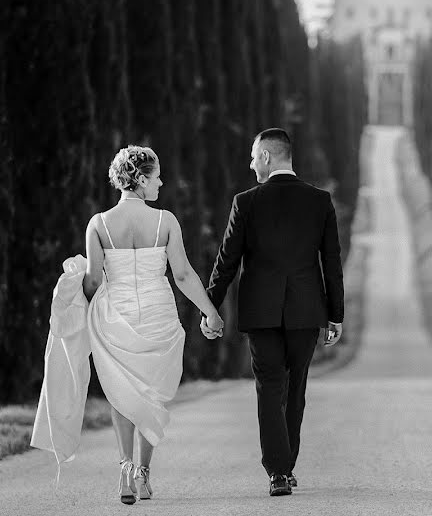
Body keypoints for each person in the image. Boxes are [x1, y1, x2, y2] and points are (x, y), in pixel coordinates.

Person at [204, 127, 345, 497]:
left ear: (267, 156)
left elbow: (226, 262)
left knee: (269, 387)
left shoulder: (245, 202)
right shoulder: (320, 201)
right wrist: (336, 314)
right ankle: (286, 465)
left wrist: (210, 306)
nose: (251, 165)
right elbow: (332, 262)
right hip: (306, 310)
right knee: (295, 387)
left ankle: (278, 472)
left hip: (261, 311)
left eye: (254, 157)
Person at [83, 145, 224, 505]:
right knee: (150, 392)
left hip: (116, 315)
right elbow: (182, 274)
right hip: (158, 314)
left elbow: (94, 281)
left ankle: (125, 468)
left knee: (121, 392)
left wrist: (73, 289)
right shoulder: (165, 221)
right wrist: (210, 311)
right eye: (157, 176)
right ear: (141, 179)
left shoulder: (98, 224)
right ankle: (143, 475)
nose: (161, 183)